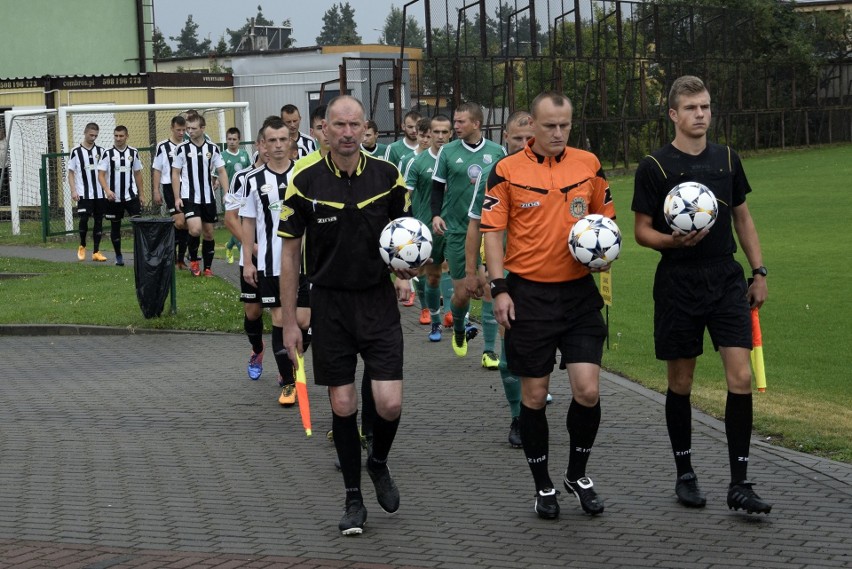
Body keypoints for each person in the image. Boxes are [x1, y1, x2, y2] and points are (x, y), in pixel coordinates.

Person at [632, 75, 772, 515]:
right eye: (691, 108)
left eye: (706, 107)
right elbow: (641, 232)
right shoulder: (654, 166)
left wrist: (759, 271)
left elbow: (743, 220)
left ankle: (739, 482)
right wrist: (673, 242)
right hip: (678, 280)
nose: (700, 115)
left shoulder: (727, 159)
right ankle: (685, 474)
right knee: (681, 382)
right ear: (673, 114)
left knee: (742, 378)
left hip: (726, 278)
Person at [279, 95, 415, 536]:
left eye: (355, 124)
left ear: (364, 127)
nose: (347, 133)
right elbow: (289, 254)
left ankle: (378, 462)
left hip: (377, 301)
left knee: (389, 402)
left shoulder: (388, 175)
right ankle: (353, 499)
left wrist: (407, 271)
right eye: (338, 125)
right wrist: (286, 320)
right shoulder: (303, 179)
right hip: (330, 303)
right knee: (342, 403)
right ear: (323, 130)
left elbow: (406, 237)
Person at [481, 91, 614, 520]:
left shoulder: (589, 164)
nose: (558, 133)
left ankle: (578, 474)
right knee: (534, 397)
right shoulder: (505, 170)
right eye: (549, 126)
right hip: (528, 296)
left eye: (565, 125)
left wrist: (602, 253)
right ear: (531, 127)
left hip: (578, 295)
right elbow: (493, 233)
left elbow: (604, 221)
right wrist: (500, 288)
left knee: (587, 390)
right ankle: (543, 485)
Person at [465, 110, 534, 447]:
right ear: (505, 138)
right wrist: (471, 270)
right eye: (516, 138)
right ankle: (518, 417)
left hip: (543, 271)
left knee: (535, 346)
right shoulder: (495, 173)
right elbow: (476, 224)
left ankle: (532, 399)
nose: (523, 144)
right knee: (511, 340)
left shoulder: (550, 170)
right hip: (503, 269)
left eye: (528, 138)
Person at [431, 102, 506, 359]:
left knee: (488, 288)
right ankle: (460, 328)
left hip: (490, 230)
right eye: (455, 121)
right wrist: (436, 215)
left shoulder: (498, 152)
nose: (456, 126)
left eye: (461, 122)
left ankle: (489, 351)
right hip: (458, 230)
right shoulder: (448, 151)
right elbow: (437, 187)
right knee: (462, 294)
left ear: (476, 123)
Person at [240, 117, 299, 405]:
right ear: (263, 144)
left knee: (305, 320)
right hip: (270, 263)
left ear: (291, 141)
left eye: (282, 139)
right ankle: (288, 382)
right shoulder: (252, 180)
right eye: (271, 140)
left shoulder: (304, 175)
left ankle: (291, 360)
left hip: (306, 263)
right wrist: (248, 262)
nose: (277, 145)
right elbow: (247, 223)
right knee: (279, 319)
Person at [224, 125, 268, 381]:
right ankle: (257, 349)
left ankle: (288, 371)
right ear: (259, 145)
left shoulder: (293, 173)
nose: (273, 147)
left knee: (285, 313)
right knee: (253, 312)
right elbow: (231, 218)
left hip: (280, 259)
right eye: (266, 142)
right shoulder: (243, 177)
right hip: (251, 258)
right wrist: (250, 245)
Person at [404, 114, 453, 338]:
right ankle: (435, 321)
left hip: (456, 227)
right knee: (432, 276)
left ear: (451, 134)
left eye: (445, 132)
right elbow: (406, 197)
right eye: (436, 132)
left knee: (458, 274)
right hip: (428, 229)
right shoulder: (418, 163)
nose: (441, 137)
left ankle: (455, 316)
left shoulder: (456, 158)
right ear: (428, 134)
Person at [171, 114, 229, 277]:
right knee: (195, 230)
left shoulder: (213, 148)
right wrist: (177, 197)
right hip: (189, 197)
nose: (189, 131)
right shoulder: (181, 149)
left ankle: (208, 268)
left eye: (193, 128)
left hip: (208, 198)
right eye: (187, 128)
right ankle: (194, 261)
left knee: (209, 233)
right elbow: (175, 173)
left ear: (202, 128)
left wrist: (227, 193)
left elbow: (222, 171)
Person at [97, 125, 143, 266]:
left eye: (121, 136)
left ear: (126, 136)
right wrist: (107, 190)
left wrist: (141, 194)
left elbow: (137, 174)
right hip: (113, 198)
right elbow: (101, 175)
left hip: (131, 196)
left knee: (138, 226)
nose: (118, 138)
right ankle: (118, 256)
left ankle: (140, 256)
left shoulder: (133, 152)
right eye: (116, 136)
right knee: (115, 227)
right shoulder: (107, 153)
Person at [151, 115, 189, 269]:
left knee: (186, 223)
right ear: (172, 128)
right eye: (178, 130)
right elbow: (157, 169)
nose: (181, 133)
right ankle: (171, 256)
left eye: (184, 130)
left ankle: (180, 260)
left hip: (186, 187)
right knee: (179, 221)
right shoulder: (163, 146)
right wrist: (155, 191)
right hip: (168, 187)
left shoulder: (188, 145)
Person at [67, 122, 108, 262]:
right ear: (85, 133)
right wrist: (73, 190)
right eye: (91, 135)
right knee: (84, 218)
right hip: (83, 193)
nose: (93, 137)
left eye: (96, 135)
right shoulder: (76, 151)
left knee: (98, 221)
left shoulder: (101, 151)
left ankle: (96, 251)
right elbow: (71, 173)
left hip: (100, 193)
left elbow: (106, 172)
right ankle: (82, 245)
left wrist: (107, 189)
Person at [222, 127, 252, 264]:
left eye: (234, 139)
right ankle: (243, 254)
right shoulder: (223, 155)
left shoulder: (244, 154)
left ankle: (229, 246)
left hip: (244, 194)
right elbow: (218, 174)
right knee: (236, 223)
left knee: (242, 223)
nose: (232, 142)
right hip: (230, 195)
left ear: (239, 141)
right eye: (229, 139)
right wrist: (216, 184)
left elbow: (250, 172)